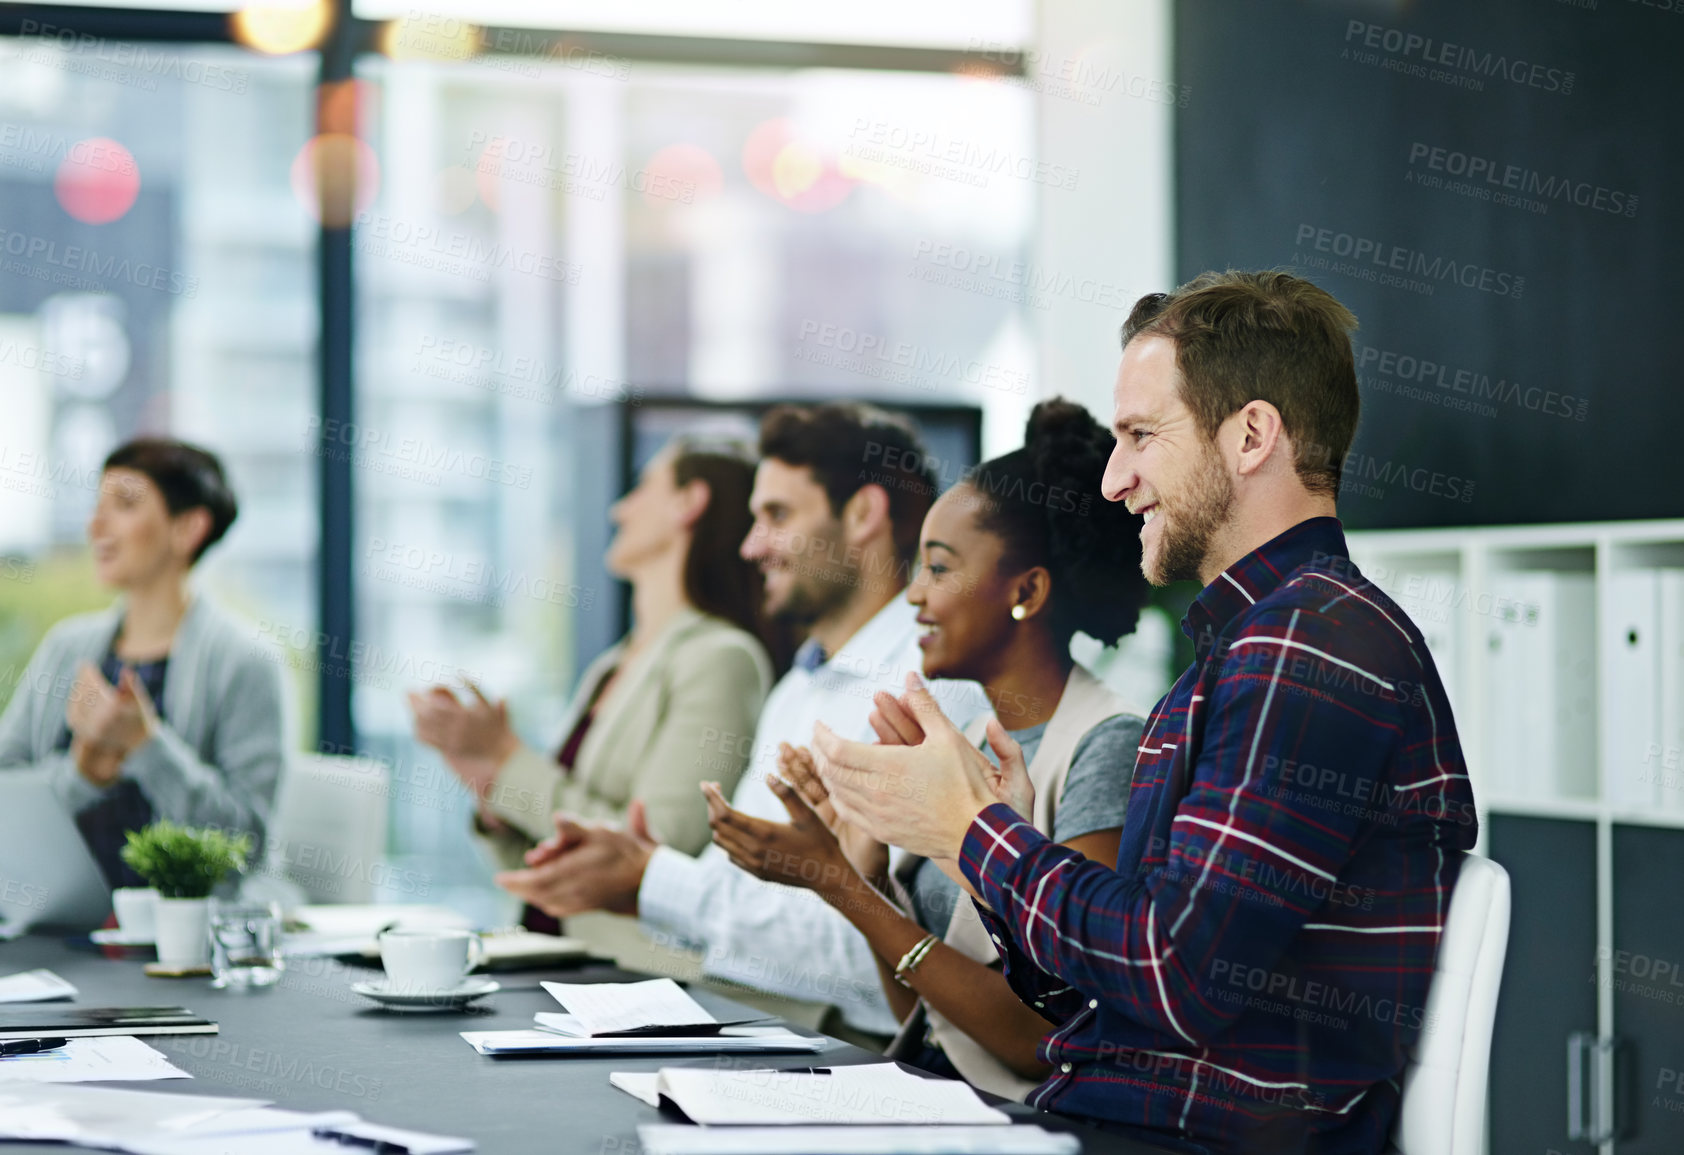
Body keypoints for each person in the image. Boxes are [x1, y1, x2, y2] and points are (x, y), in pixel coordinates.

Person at [811, 271, 1478, 1154]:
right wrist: (986, 840)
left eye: (1140, 435)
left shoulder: (1305, 649)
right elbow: (1110, 990)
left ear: (1250, 436)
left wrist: (975, 830)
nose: (1116, 479)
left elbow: (1173, 977)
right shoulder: (1251, 648)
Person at [497, 403, 989, 1042]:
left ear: (864, 514)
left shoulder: (927, 693)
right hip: (748, 1020)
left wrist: (655, 880)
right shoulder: (797, 689)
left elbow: (875, 957)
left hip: (837, 1045)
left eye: (778, 516)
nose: (751, 545)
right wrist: (638, 873)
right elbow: (750, 902)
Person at [701, 398, 1149, 1100]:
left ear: (1025, 591)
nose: (912, 594)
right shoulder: (967, 739)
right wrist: (866, 865)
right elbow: (927, 1016)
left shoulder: (1106, 745)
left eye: (937, 569)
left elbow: (1045, 1039)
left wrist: (842, 888)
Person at [408, 441, 775, 930]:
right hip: (556, 955)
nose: (619, 508)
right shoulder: (613, 665)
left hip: (625, 983)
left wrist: (506, 758)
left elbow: (653, 852)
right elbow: (549, 868)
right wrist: (490, 787)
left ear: (689, 502)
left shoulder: (722, 659)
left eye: (644, 487)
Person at [0, 438, 285, 886]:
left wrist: (147, 746)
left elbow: (247, 844)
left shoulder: (246, 663)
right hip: (54, 927)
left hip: (182, 941)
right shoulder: (65, 648)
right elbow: (6, 793)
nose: (96, 526)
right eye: (97, 505)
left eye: (125, 505)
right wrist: (83, 775)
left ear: (188, 529)